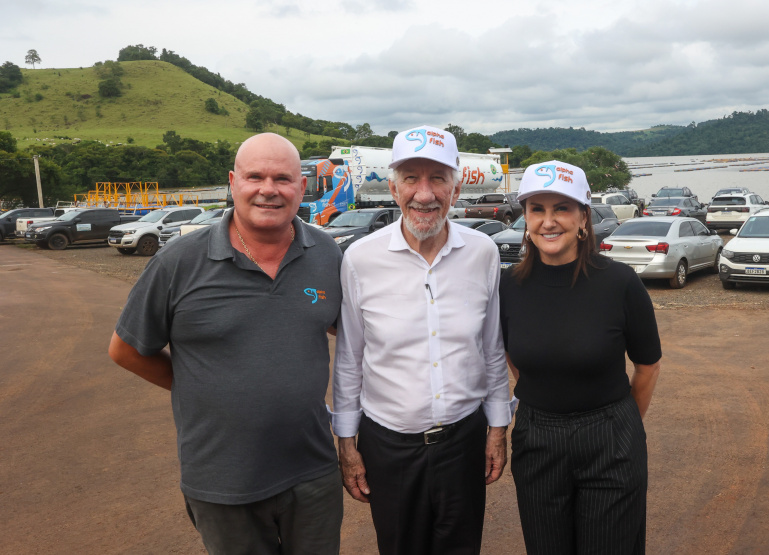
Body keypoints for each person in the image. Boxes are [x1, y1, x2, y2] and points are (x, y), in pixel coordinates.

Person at [108, 133, 344, 554]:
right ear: (233, 182)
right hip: (223, 480)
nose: (269, 189)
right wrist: (197, 385)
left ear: (302, 186)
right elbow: (125, 350)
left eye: (283, 178)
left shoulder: (326, 254)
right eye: (255, 177)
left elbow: (344, 329)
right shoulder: (179, 261)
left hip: (313, 471)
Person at [332, 125, 513, 555]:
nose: (425, 194)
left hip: (464, 441)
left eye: (438, 179)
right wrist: (347, 443)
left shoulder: (482, 253)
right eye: (411, 178)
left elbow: (492, 348)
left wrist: (497, 428)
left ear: (455, 190)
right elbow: (350, 357)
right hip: (389, 447)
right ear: (393, 189)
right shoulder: (360, 259)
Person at [499, 160, 662, 555]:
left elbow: (647, 366)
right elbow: (513, 355)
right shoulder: (507, 287)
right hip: (537, 440)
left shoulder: (620, 283)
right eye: (537, 209)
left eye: (562, 208)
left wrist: (618, 426)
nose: (548, 221)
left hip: (611, 440)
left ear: (583, 217)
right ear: (526, 218)